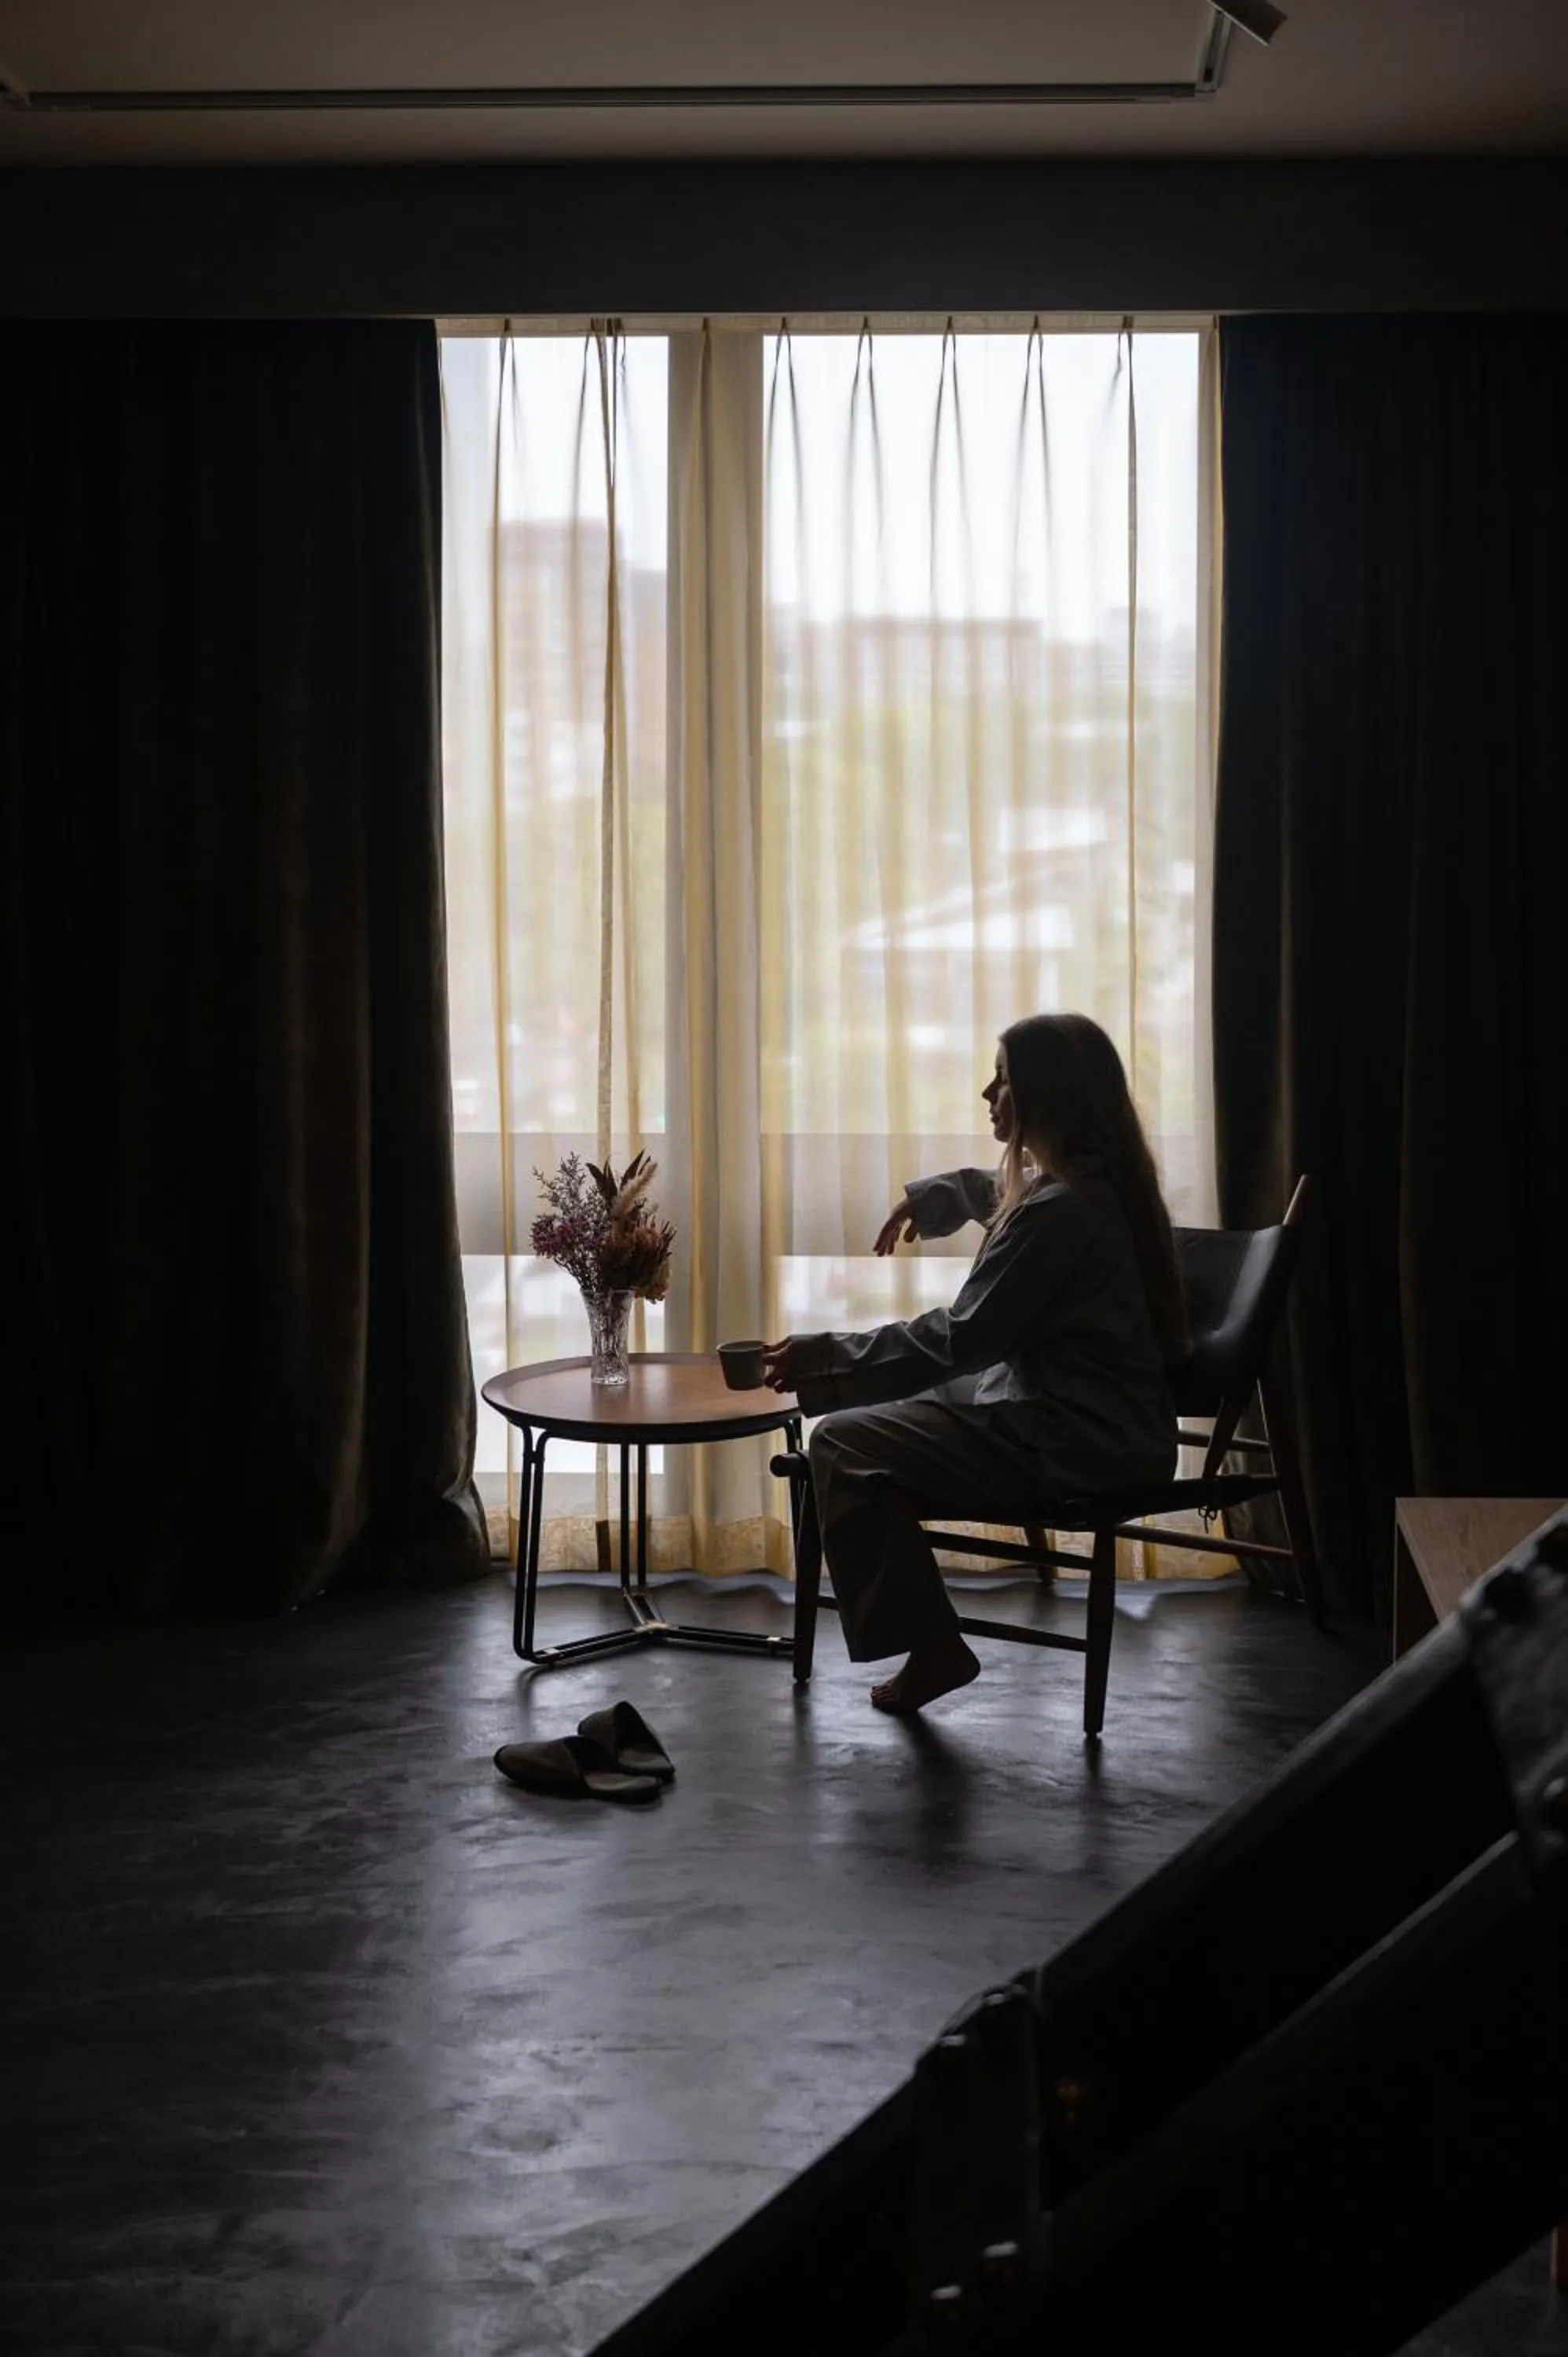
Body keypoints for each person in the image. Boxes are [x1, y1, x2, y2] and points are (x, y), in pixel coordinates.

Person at [760, 1013, 1185, 1716]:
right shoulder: (1092, 1188)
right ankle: (929, 1632)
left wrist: (825, 1358)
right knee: (891, 1417)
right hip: (1104, 1427)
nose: (989, 1093)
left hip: (1078, 1445)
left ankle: (932, 1644)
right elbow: (1005, 1201)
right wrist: (939, 1198)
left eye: (1006, 1078)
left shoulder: (1062, 1211)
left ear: (1048, 1094)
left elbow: (960, 1340)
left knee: (841, 1440)